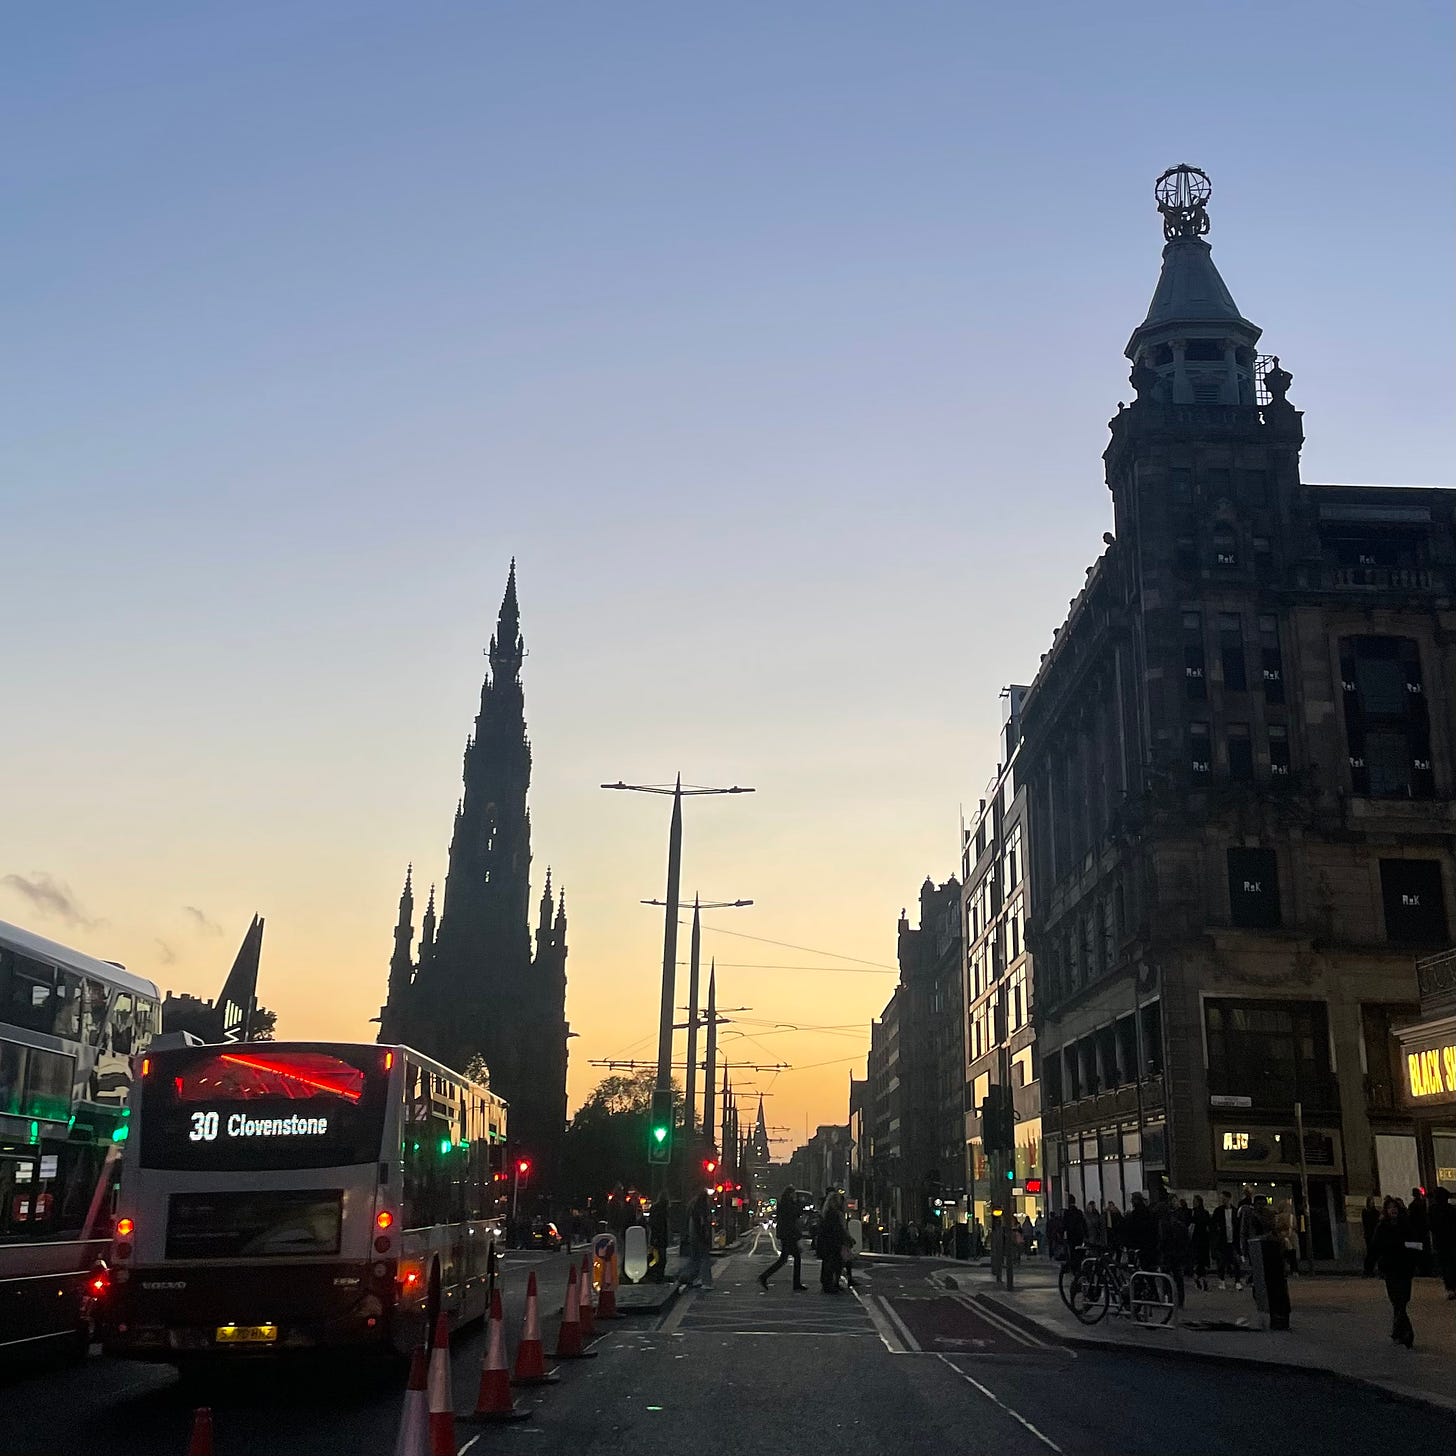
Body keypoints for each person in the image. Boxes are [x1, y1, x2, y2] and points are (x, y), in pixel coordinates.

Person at [1371, 1197, 1416, 1348]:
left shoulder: (1406, 1225)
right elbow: (1376, 1247)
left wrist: (1407, 1249)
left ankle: (1398, 1332)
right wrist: (1370, 1266)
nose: (1393, 1210)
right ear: (1386, 1210)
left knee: (1403, 1300)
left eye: (1394, 1207)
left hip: (1405, 1268)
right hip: (1390, 1269)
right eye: (1390, 1207)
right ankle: (1407, 1333)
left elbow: (1416, 1244)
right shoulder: (1382, 1227)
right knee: (1397, 1300)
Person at [760, 1184, 807, 1291]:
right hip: (789, 1234)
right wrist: (798, 1203)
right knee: (794, 1258)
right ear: (790, 1194)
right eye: (793, 1194)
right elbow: (795, 1214)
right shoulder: (788, 1204)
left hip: (786, 1234)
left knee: (784, 1259)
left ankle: (765, 1276)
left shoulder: (784, 1203)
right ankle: (796, 1283)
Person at [676, 1189, 714, 1292]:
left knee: (695, 1259)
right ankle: (706, 1281)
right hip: (700, 1238)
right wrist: (706, 1236)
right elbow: (702, 1225)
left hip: (694, 1237)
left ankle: (690, 1278)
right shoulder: (702, 1209)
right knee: (705, 1259)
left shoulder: (693, 1207)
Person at [1156, 1196, 1188, 1308]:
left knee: (1168, 1277)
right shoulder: (1178, 1218)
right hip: (1176, 1251)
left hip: (1169, 1252)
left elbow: (1162, 1238)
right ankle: (1179, 1301)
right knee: (1177, 1277)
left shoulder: (1165, 1221)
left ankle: (1170, 1299)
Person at [1429, 1187, 1456, 1299]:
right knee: (1453, 1264)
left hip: (1440, 1242)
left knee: (1445, 1265)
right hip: (1453, 1241)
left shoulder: (1432, 1210)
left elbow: (1431, 1226)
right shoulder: (1452, 1209)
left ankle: (1449, 1288)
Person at [817, 1191, 846, 1292]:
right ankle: (828, 1284)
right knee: (831, 1263)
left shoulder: (827, 1212)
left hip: (828, 1241)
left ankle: (830, 1283)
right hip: (831, 1242)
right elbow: (836, 1229)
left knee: (831, 1263)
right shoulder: (832, 1214)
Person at [1211, 1190, 1241, 1289]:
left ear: (1228, 1198)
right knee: (1222, 1262)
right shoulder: (1218, 1211)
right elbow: (1213, 1226)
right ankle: (1222, 1280)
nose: (1222, 1200)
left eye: (1223, 1198)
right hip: (1222, 1240)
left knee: (1236, 1261)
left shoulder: (1235, 1211)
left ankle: (1237, 1280)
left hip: (1233, 1240)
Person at [1189, 1194, 1211, 1292]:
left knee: (1197, 1261)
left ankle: (1197, 1278)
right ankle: (1203, 1279)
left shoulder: (1194, 1213)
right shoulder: (1205, 1213)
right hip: (1204, 1240)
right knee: (1202, 1262)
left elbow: (1192, 1228)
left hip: (1197, 1240)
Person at [647, 1195, 671, 1283]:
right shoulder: (662, 1211)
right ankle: (658, 1275)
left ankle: (653, 1273)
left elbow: (651, 1223)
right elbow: (662, 1226)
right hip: (660, 1239)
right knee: (661, 1259)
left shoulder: (655, 1209)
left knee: (655, 1258)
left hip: (656, 1238)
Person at [1274, 1199, 1298, 1277]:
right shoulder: (1291, 1216)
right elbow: (1295, 1226)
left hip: (1282, 1236)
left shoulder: (1278, 1217)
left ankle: (1284, 1271)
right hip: (1292, 1236)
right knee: (1292, 1254)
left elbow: (1276, 1227)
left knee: (1282, 1255)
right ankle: (1294, 1270)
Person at [1061, 1196, 1087, 1268]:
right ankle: (1078, 1264)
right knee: (1078, 1251)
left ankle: (1073, 1266)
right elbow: (1083, 1223)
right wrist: (1085, 1234)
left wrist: (1062, 1233)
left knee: (1072, 1251)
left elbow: (1064, 1224)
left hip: (1071, 1235)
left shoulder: (1067, 1213)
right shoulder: (1079, 1212)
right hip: (1079, 1235)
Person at [1361, 1194, 1381, 1277]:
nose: (1372, 1204)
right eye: (1371, 1202)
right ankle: (1368, 1270)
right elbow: (1365, 1223)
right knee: (1370, 1254)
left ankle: (1371, 1270)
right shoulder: (1365, 1212)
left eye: (1373, 1202)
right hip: (1369, 1235)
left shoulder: (1375, 1212)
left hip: (1374, 1234)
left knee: (1375, 1254)